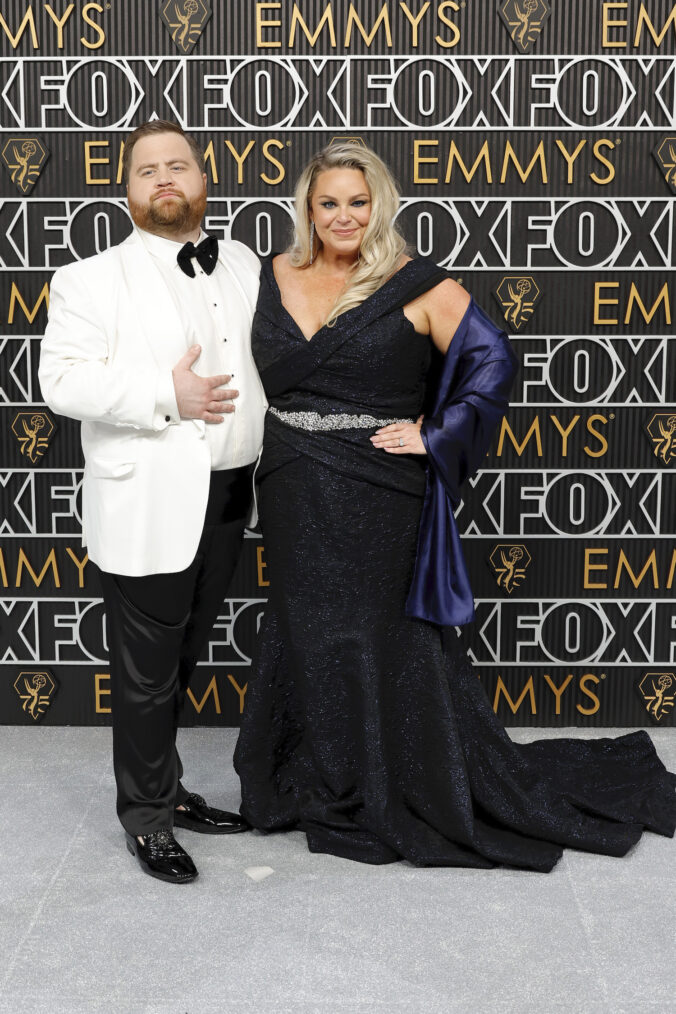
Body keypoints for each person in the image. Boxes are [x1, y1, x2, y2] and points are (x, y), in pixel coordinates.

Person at [233, 142, 676, 870]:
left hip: (378, 491)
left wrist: (435, 433)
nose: (343, 216)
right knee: (306, 629)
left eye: (358, 201)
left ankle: (391, 782)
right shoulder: (268, 273)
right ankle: (318, 777)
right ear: (306, 211)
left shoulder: (418, 283)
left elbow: (493, 359)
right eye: (328, 203)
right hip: (290, 482)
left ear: (379, 207)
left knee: (381, 635)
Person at [39, 120, 267, 884]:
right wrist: (164, 394)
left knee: (185, 656)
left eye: (179, 165)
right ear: (126, 191)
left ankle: (166, 788)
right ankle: (146, 820)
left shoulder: (242, 262)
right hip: (146, 500)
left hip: (231, 495)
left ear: (205, 179)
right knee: (144, 673)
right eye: (147, 170)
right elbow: (61, 382)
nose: (164, 178)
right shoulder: (88, 279)